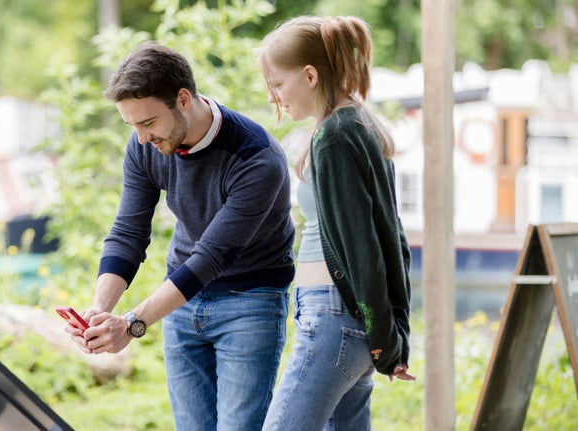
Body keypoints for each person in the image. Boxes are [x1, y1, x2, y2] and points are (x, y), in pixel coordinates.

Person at [63, 41, 296, 431]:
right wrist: (101, 310)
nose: (140, 138)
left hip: (250, 302)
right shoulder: (144, 145)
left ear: (183, 99)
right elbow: (128, 232)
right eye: (132, 125)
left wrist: (133, 324)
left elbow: (211, 258)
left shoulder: (257, 158)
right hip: (181, 303)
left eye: (148, 123)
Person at [256, 16, 415, 431]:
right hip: (343, 318)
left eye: (277, 83)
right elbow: (390, 238)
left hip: (334, 316)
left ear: (309, 75)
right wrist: (389, 332)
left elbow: (366, 250)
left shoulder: (336, 136)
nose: (274, 96)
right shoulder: (353, 123)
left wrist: (387, 339)